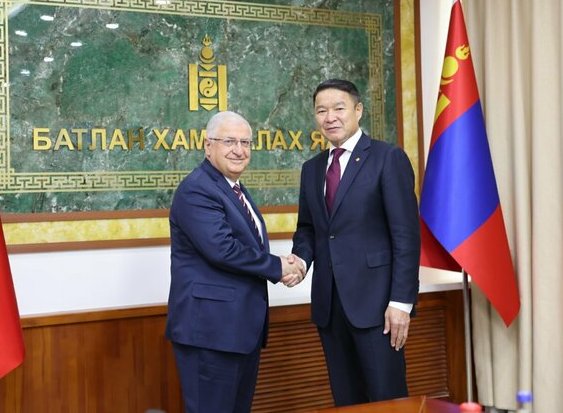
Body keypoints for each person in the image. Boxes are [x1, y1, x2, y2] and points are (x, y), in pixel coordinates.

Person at [290, 78, 421, 405]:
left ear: (358, 110)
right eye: (321, 111)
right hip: (330, 307)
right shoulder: (312, 169)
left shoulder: (387, 158)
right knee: (346, 401)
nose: (330, 117)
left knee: (387, 400)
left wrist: (401, 303)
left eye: (339, 108)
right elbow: (308, 229)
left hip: (379, 308)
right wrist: (301, 261)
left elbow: (406, 235)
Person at [166, 110, 305, 413]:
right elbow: (222, 249)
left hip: (237, 331)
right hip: (211, 333)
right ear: (208, 145)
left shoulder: (232, 188)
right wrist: (278, 266)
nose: (239, 150)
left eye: (245, 142)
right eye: (229, 141)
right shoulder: (197, 189)